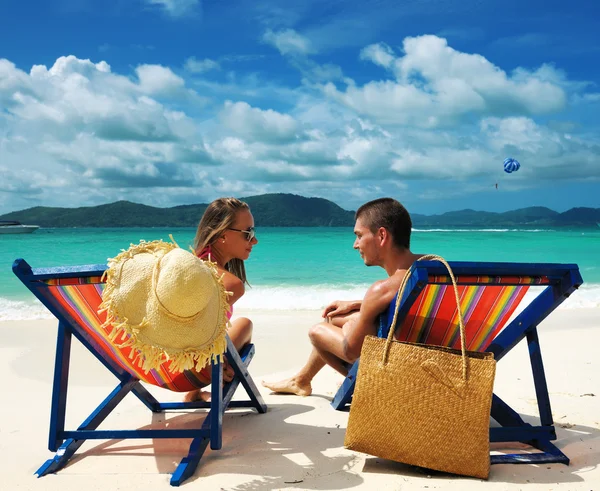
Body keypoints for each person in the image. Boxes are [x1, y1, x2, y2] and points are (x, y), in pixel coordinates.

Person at [262, 197, 423, 397]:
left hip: (398, 377)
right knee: (338, 316)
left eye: (359, 235)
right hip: (432, 367)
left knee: (319, 330)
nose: (355, 245)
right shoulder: (437, 270)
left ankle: (303, 380)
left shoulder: (381, 290)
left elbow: (350, 351)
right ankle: (302, 380)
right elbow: (408, 305)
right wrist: (359, 305)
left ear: (381, 236)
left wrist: (350, 327)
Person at [184, 197, 258, 402]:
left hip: (159, 368)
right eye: (248, 233)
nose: (254, 241)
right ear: (224, 235)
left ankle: (194, 395)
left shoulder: (186, 268)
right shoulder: (229, 284)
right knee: (244, 325)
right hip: (191, 373)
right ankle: (212, 378)